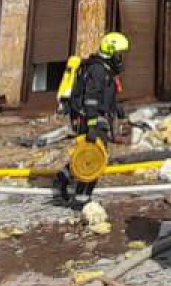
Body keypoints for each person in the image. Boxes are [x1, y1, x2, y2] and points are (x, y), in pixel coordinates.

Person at [53, 32, 130, 205]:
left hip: (96, 117)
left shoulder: (104, 70)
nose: (121, 59)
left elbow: (103, 95)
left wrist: (115, 107)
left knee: (91, 156)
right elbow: (91, 98)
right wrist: (93, 126)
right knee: (94, 158)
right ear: (112, 52)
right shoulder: (98, 70)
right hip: (90, 119)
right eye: (120, 54)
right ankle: (81, 200)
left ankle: (64, 177)